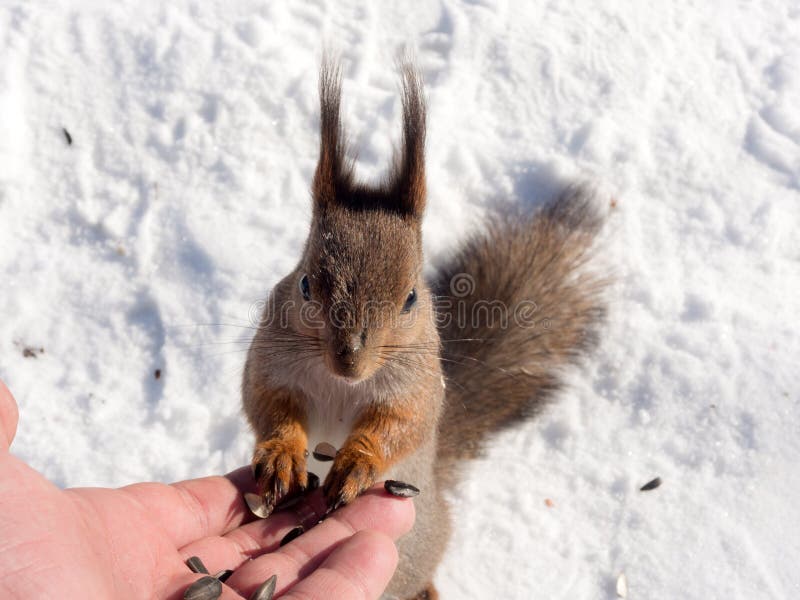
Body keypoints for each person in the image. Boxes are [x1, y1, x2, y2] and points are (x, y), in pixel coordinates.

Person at [0, 380, 415, 599]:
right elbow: (266, 391)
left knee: (396, 530)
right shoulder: (286, 324)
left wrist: (370, 448)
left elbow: (412, 418)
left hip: (374, 492)